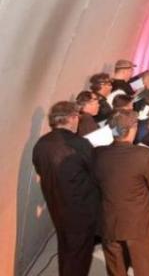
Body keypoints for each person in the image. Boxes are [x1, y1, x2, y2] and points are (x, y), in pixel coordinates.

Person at [32, 101, 100, 276]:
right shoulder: (80, 143)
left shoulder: (41, 143)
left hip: (56, 205)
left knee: (66, 249)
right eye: (77, 117)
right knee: (79, 256)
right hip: (81, 209)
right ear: (71, 118)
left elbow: (40, 170)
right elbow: (96, 173)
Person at [93, 109, 149, 276]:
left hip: (110, 221)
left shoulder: (97, 153)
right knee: (143, 269)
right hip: (139, 224)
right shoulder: (143, 154)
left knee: (116, 270)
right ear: (133, 129)